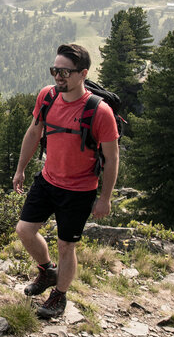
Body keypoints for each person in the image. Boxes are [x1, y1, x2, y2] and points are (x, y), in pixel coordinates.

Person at [12, 43, 119, 319]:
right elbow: (34, 132)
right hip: (48, 180)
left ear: (82, 73)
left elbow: (112, 157)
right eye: (55, 70)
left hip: (80, 190)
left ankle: (59, 296)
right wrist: (21, 168)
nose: (58, 76)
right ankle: (48, 271)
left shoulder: (100, 112)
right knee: (24, 230)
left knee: (66, 245)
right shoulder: (47, 97)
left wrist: (105, 198)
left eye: (65, 72)